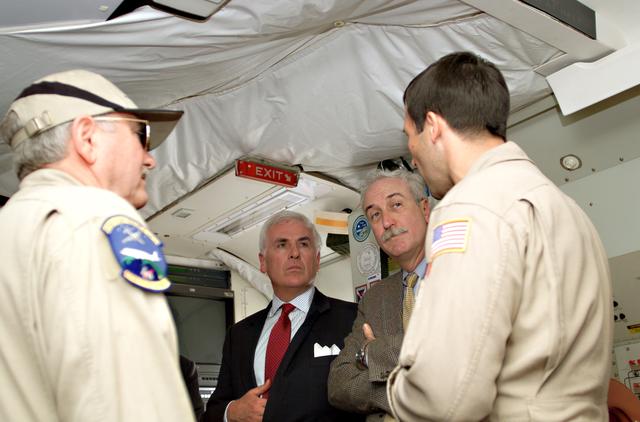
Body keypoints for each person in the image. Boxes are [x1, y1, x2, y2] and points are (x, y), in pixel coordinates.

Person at [387, 51, 613, 421]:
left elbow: (445, 399)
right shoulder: (565, 208)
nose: (412, 156)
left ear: (433, 127)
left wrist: (399, 390)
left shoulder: (471, 206)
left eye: (409, 136)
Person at [0, 70, 195, 422]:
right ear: (87, 138)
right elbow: (123, 403)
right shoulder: (92, 220)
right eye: (141, 135)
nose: (149, 159)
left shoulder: (11, 227)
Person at [203, 211, 363, 422]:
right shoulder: (239, 335)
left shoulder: (353, 318)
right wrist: (232, 412)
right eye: (282, 244)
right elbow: (213, 412)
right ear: (263, 262)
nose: (294, 253)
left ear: (316, 259)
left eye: (304, 244)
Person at [327, 167, 430, 420]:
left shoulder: (463, 270)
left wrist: (371, 353)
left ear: (425, 209)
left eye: (396, 204)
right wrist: (398, 394)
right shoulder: (375, 298)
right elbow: (338, 384)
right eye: (375, 215)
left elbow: (445, 352)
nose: (387, 222)